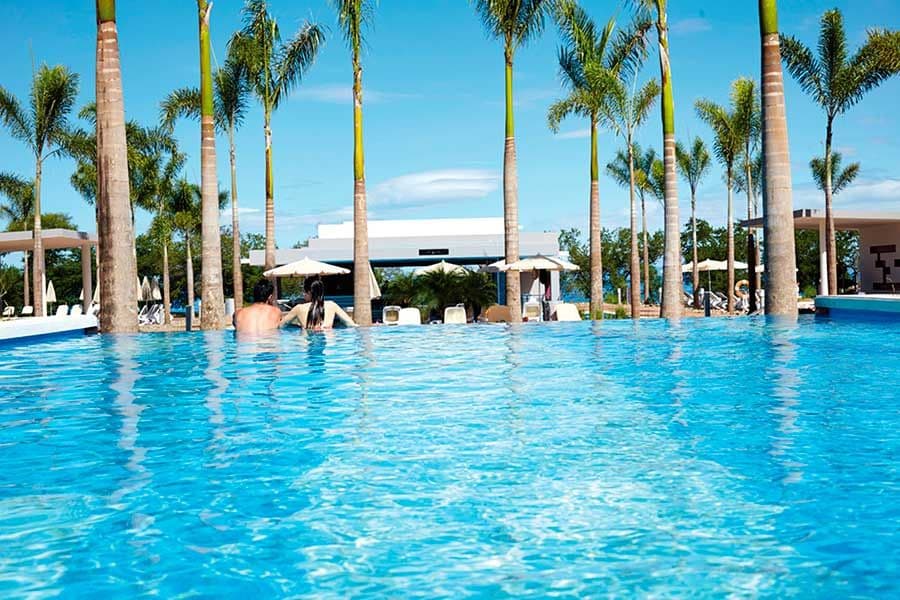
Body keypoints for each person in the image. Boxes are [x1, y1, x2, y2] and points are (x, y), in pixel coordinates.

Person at [281, 279, 356, 330]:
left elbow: (281, 326)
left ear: (309, 292)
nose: (303, 294)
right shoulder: (332, 305)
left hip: (305, 348)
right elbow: (351, 324)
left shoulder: (299, 308)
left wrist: (297, 327)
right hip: (329, 349)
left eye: (304, 292)